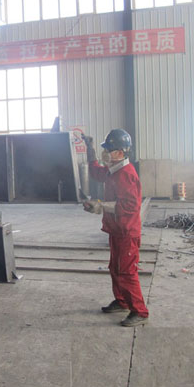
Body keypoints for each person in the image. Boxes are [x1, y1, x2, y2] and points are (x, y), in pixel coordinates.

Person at [82, 129, 149, 327]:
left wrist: (101, 205)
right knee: (115, 268)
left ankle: (140, 312)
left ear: (120, 152)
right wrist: (90, 150)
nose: (106, 153)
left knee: (126, 271)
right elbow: (96, 172)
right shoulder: (114, 170)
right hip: (117, 229)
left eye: (108, 150)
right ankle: (122, 301)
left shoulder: (126, 175)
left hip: (126, 232)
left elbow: (130, 206)